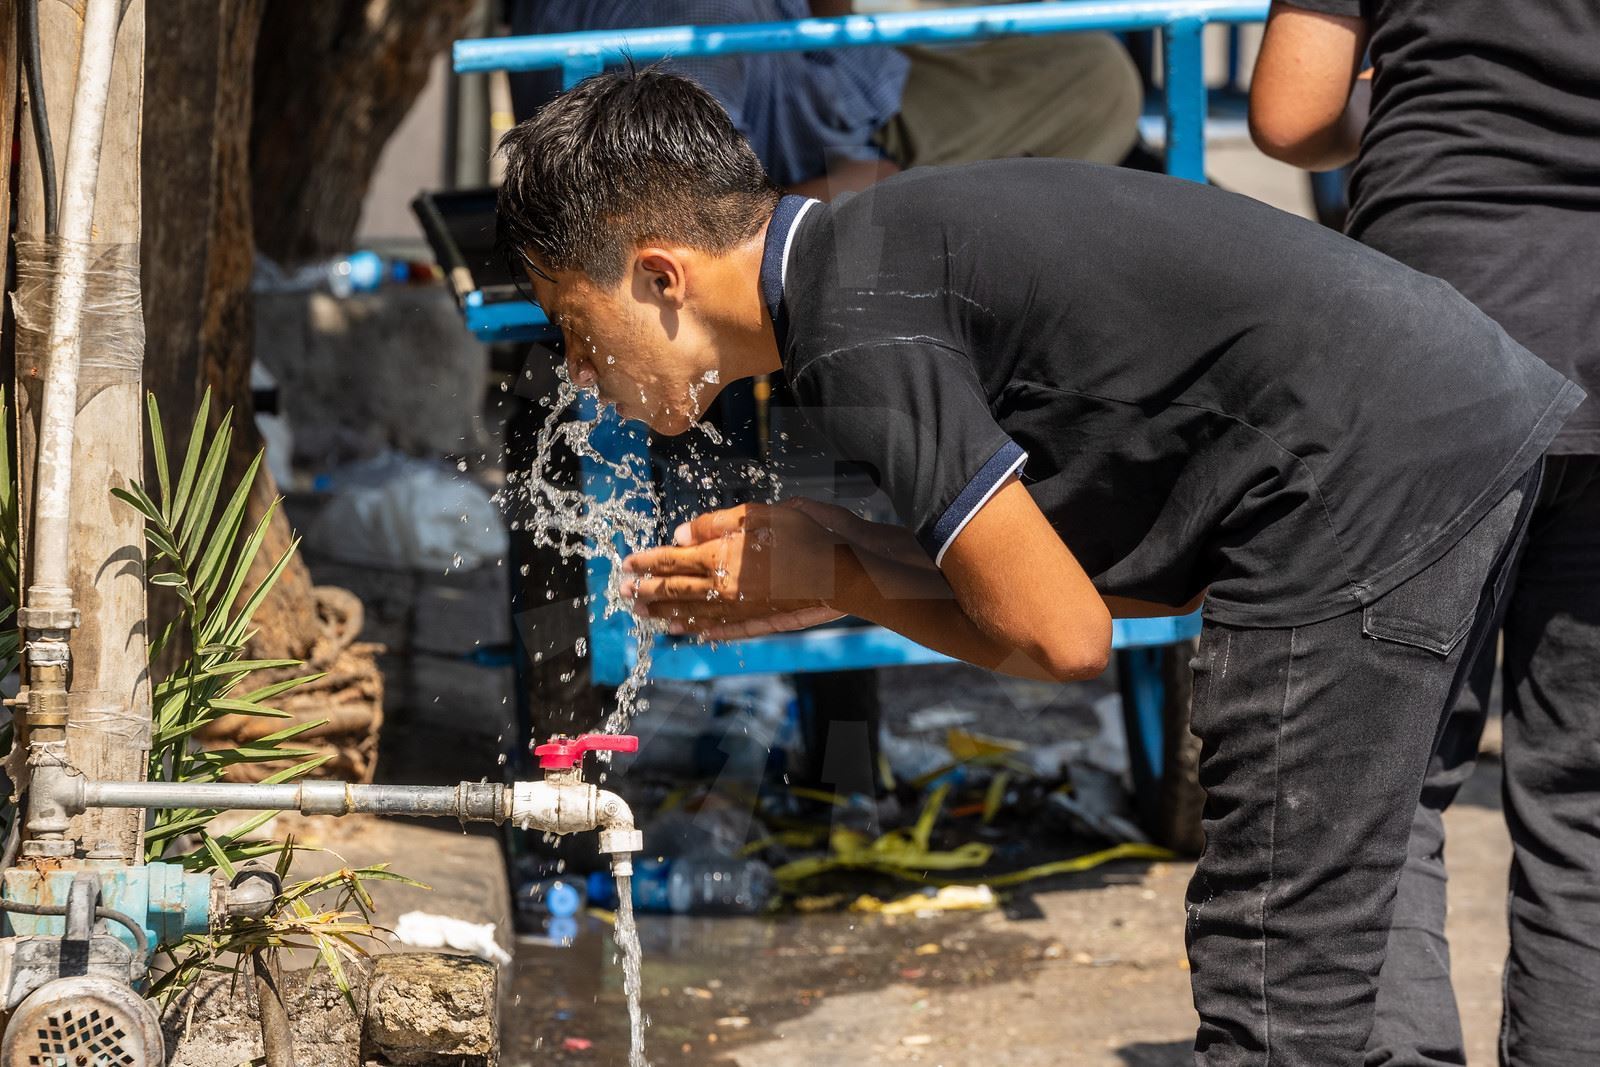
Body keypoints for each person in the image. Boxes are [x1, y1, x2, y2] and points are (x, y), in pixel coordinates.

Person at [495, 68, 1582, 1064]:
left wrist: (839, 570)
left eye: (573, 326)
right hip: (1446, 416)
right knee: (1357, 887)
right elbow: (1085, 583)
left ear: (657, 275)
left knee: (1275, 963)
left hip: (1362, 463)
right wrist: (833, 554)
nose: (583, 375)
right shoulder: (870, 255)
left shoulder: (852, 328)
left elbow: (1058, 637)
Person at [1250, 4, 1600, 1064]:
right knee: (1586, 794)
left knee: (1382, 779)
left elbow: (1289, 112)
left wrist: (1426, 107)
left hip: (1438, 319)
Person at [508, 0, 1146, 200]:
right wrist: (862, 185)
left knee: (1092, 70)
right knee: (1098, 80)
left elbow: (831, 27)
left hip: (836, 92)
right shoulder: (693, 31)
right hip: (825, 155)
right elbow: (682, 224)